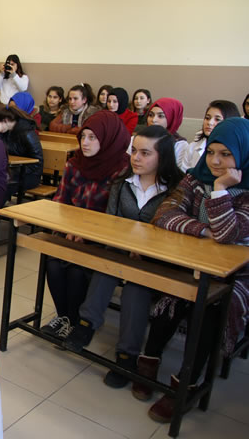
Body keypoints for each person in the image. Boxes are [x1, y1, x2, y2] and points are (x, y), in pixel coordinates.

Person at [140, 117, 249, 423]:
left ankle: (186, 383)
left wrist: (220, 189)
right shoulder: (194, 178)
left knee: (212, 307)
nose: (215, 161)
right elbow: (164, 214)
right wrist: (203, 230)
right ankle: (149, 361)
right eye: (211, 151)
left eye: (225, 154)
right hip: (196, 264)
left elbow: (229, 233)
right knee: (175, 293)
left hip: (237, 275)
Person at [63, 125, 184, 388]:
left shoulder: (176, 188)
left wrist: (146, 248)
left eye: (145, 153)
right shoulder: (122, 181)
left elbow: (175, 232)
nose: (136, 158)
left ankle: (127, 355)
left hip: (157, 258)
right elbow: (112, 223)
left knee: (136, 287)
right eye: (134, 151)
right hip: (120, 250)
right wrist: (124, 244)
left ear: (163, 157)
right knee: (108, 264)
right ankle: (86, 324)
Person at [41, 111, 130, 338]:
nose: (85, 143)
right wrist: (66, 230)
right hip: (70, 232)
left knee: (77, 271)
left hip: (102, 238)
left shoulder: (122, 170)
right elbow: (60, 201)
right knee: (53, 263)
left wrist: (86, 234)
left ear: (108, 139)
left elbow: (114, 215)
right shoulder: (74, 164)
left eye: (92, 138)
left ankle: (76, 320)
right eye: (83, 137)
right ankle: (63, 316)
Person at [0, 101, 43, 202]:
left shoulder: (27, 133)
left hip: (29, 175)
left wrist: (14, 171)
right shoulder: (6, 131)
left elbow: (37, 163)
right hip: (11, 170)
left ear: (5, 120)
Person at [180, 100, 240, 172]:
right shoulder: (192, 147)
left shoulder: (235, 152)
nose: (210, 123)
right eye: (207, 118)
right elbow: (183, 174)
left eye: (217, 119)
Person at [137, 97, 188, 170]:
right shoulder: (138, 139)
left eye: (160, 116)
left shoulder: (179, 145)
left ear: (172, 118)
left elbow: (177, 172)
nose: (153, 120)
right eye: (151, 115)